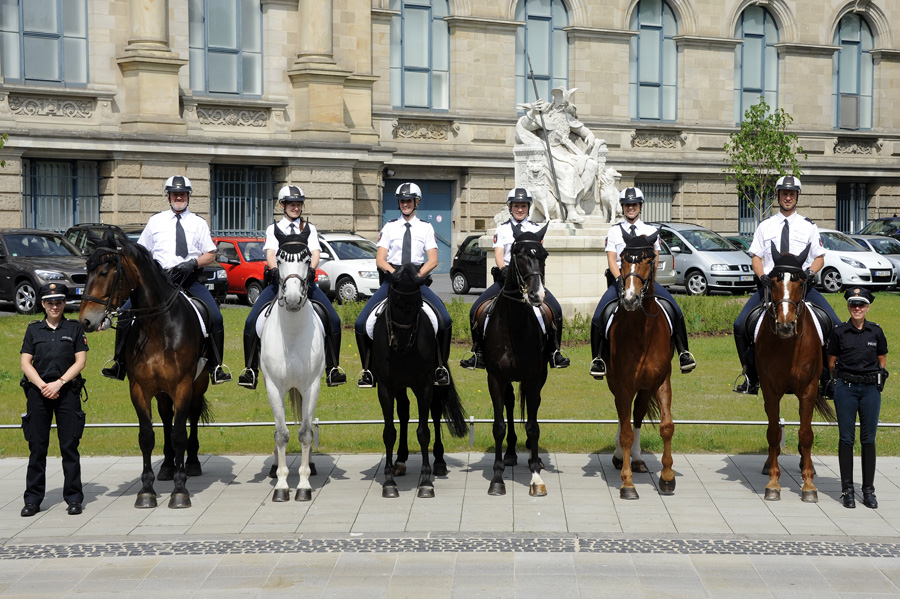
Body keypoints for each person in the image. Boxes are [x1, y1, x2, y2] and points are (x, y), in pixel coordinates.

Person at [101, 175, 232, 384]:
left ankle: (216, 366)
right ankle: (119, 363)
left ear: (188, 196)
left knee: (215, 317)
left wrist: (193, 263)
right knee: (125, 314)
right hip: (159, 281)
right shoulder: (156, 221)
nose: (178, 197)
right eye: (174, 194)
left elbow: (211, 254)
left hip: (188, 279)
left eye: (182, 194)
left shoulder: (198, 223)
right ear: (168, 196)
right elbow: (142, 252)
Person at [733, 175, 839, 394]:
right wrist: (761, 274)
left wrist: (810, 273)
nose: (788, 197)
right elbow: (756, 256)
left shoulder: (808, 226)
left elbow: (819, 257)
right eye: (784, 194)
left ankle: (828, 379)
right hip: (771, 288)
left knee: (836, 325)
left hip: (801, 288)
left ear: (797, 197)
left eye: (791, 194)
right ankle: (751, 377)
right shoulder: (765, 226)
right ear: (778, 196)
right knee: (740, 325)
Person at [238, 185, 346, 389]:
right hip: (278, 283)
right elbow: (271, 253)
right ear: (282, 206)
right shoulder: (273, 229)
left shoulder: (309, 228)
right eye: (292, 205)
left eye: (298, 204)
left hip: (306, 284)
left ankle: (332, 368)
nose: (296, 208)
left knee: (333, 319)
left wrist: (312, 269)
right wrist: (273, 270)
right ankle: (250, 370)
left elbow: (315, 252)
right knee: (251, 321)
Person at [589, 187, 696, 379]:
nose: (631, 208)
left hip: (645, 283)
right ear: (623, 207)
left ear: (640, 206)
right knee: (599, 316)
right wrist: (621, 281)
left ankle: (684, 353)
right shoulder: (614, 231)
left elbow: (654, 259)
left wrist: (647, 282)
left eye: (634, 204)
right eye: (628, 205)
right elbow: (612, 260)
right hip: (621, 282)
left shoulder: (650, 231)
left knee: (675, 309)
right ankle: (598, 359)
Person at [459, 187, 570, 370]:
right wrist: (503, 269)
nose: (520, 209)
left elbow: (537, 256)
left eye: (524, 206)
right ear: (510, 207)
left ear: (528, 208)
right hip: (507, 280)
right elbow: (499, 253)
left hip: (530, 281)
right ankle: (477, 352)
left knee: (555, 310)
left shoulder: (536, 230)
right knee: (475, 310)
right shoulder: (502, 229)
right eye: (516, 206)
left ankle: (554, 352)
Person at [355, 182, 451, 388]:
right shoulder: (389, 227)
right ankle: (368, 370)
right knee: (362, 323)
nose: (405, 204)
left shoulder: (426, 227)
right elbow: (380, 259)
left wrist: (418, 276)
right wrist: (394, 273)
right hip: (394, 282)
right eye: (402, 201)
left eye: (408, 200)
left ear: (416, 202)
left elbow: (432, 259)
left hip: (416, 282)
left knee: (445, 320)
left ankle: (440, 367)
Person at [19, 283, 88, 517]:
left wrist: (59, 383)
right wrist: (43, 386)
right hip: (38, 393)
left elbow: (80, 362)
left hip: (67, 392)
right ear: (43, 305)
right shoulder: (33, 330)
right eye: (50, 302)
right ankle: (33, 499)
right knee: (37, 447)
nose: (55, 306)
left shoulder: (75, 328)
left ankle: (74, 498)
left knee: (69, 447)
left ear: (64, 303)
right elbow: (25, 363)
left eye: (58, 302)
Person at [827, 287, 888, 509]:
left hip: (870, 389)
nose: (857, 308)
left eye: (861, 305)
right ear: (848, 307)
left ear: (867, 307)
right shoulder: (839, 332)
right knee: (846, 439)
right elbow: (831, 361)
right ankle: (847, 490)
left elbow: (882, 358)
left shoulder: (876, 332)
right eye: (853, 305)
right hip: (847, 389)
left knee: (868, 439)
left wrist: (877, 377)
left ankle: (868, 491)